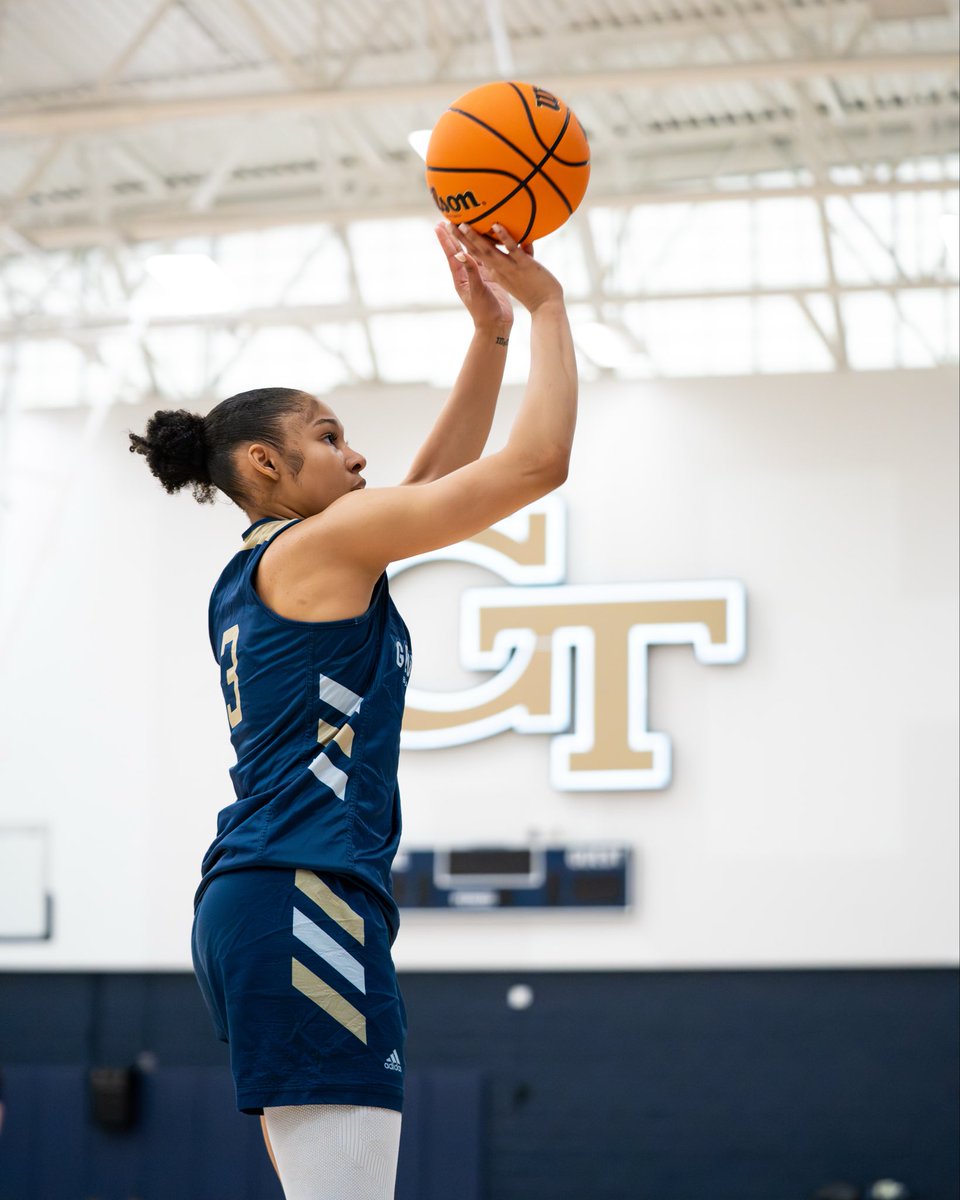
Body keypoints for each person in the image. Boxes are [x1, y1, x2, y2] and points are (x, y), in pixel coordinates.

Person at [129, 220, 577, 1200]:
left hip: (266, 890)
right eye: (328, 437)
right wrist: (546, 307)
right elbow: (537, 465)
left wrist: (489, 336)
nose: (359, 456)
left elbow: (422, 494)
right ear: (264, 467)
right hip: (304, 893)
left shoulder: (269, 566)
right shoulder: (319, 551)